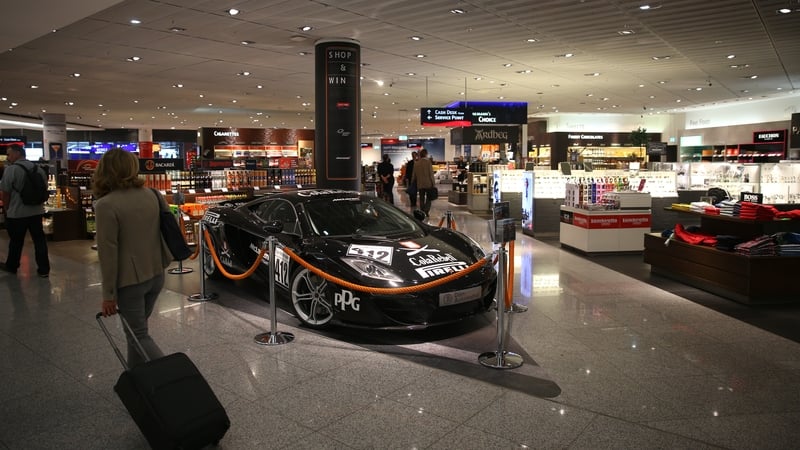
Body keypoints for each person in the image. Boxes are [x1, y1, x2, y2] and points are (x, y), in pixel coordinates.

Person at [95, 148, 172, 368]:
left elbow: (107, 252)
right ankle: (138, 380)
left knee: (138, 335)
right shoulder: (152, 195)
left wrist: (108, 295)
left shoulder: (106, 205)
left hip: (130, 282)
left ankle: (171, 378)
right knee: (137, 332)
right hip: (156, 274)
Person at [0, 144, 50, 277]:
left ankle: (12, 266)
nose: (8, 157)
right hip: (37, 212)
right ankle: (44, 269)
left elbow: (5, 192)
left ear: (17, 153)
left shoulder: (11, 170)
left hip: (17, 213)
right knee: (39, 240)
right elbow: (44, 188)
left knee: (16, 241)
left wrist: (6, 209)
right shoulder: (37, 169)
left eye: (9, 154)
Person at [411, 148, 436, 215]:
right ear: (426, 154)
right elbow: (431, 173)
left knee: (421, 198)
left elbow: (414, 175)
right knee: (429, 198)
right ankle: (426, 210)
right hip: (428, 184)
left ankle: (422, 210)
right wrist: (433, 183)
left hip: (420, 184)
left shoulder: (416, 163)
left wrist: (412, 182)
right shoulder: (428, 162)